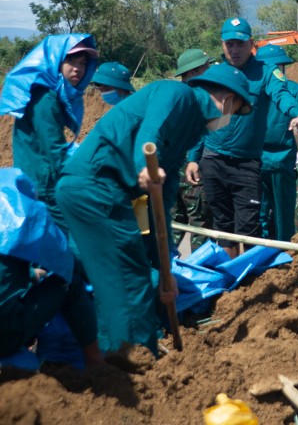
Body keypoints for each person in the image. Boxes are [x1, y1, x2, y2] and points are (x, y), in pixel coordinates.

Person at [54, 63, 254, 355]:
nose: (231, 118)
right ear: (227, 99)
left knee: (133, 267)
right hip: (94, 186)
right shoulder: (176, 93)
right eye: (235, 110)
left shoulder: (193, 128)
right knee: (129, 272)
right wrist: (145, 168)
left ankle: (123, 348)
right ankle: (135, 355)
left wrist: (165, 267)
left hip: (114, 195)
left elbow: (168, 186)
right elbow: (151, 136)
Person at [185, 18, 298, 258]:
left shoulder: (265, 73)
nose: (234, 50)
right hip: (213, 159)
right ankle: (231, 285)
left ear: (251, 44)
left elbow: (282, 94)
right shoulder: (215, 74)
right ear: (222, 44)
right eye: (229, 44)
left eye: (240, 44)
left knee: (249, 228)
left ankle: (250, 282)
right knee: (222, 227)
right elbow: (205, 119)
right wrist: (193, 158)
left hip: (247, 164)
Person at [0, 34, 99, 244]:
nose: (78, 69)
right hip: (45, 184)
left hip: (36, 178)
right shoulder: (45, 99)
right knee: (70, 243)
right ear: (56, 61)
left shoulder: (41, 94)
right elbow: (54, 150)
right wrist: (83, 180)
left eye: (83, 63)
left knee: (44, 244)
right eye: (71, 61)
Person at [0, 168, 103, 368]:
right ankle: (94, 358)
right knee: (68, 283)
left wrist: (30, 274)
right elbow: (66, 264)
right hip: (4, 337)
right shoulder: (29, 218)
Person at [256, 44, 298, 242]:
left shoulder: (251, 90)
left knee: (260, 214)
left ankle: (260, 255)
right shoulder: (291, 89)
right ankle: (284, 254)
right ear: (279, 68)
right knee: (284, 216)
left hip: (254, 162)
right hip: (282, 163)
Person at [172, 48, 214, 234]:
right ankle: (201, 264)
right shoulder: (201, 98)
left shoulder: (173, 96)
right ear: (192, 72)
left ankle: (166, 263)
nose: (210, 70)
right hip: (192, 170)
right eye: (206, 67)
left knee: (173, 224)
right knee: (201, 225)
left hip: (171, 170)